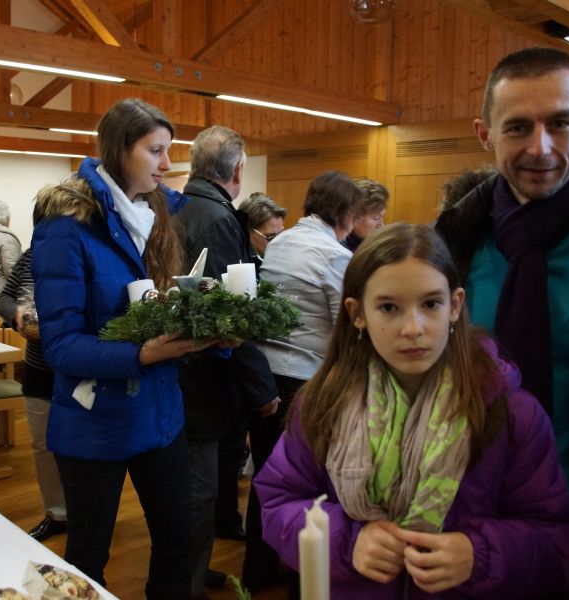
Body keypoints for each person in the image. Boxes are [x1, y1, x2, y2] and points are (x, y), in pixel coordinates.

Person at [255, 223, 569, 598]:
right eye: (388, 307)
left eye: (430, 304)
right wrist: (346, 541)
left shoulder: (511, 413)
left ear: (454, 305)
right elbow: (279, 501)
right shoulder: (323, 403)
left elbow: (554, 537)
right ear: (357, 313)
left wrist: (479, 554)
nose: (413, 328)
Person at [435, 47, 569, 596]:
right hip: (469, 548)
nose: (540, 147)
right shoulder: (448, 250)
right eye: (519, 127)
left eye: (560, 124)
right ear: (485, 134)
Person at [31, 98, 210, 599]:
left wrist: (208, 330)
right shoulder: (67, 225)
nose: (168, 164)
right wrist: (142, 355)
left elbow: (157, 307)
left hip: (160, 414)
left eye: (168, 150)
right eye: (155, 150)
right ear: (119, 149)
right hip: (94, 421)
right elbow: (61, 346)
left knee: (177, 543)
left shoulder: (154, 215)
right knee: (88, 556)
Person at [172, 125, 279, 598]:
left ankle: (191, 574)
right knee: (199, 493)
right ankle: (186, 585)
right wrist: (263, 388)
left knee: (198, 488)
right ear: (237, 170)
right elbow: (229, 315)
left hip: (184, 368)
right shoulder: (218, 218)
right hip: (203, 373)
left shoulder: (179, 206)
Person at [248, 170, 363, 587]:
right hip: (305, 381)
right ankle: (303, 575)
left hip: (263, 374)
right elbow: (345, 327)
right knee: (306, 483)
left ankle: (258, 570)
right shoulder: (335, 256)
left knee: (267, 475)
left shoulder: (281, 242)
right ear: (345, 213)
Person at [0, 206, 66, 543]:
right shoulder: (30, 257)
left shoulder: (81, 257)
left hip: (76, 369)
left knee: (81, 449)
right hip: (39, 368)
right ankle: (57, 513)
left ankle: (89, 513)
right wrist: (17, 315)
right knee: (42, 445)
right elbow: (5, 298)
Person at [238, 192, 287, 264]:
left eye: (281, 234)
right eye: (271, 237)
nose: (279, 243)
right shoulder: (237, 260)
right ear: (248, 231)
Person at [343, 178, 388, 253]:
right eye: (376, 217)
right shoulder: (339, 251)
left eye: (382, 216)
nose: (381, 225)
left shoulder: (379, 244)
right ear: (355, 217)